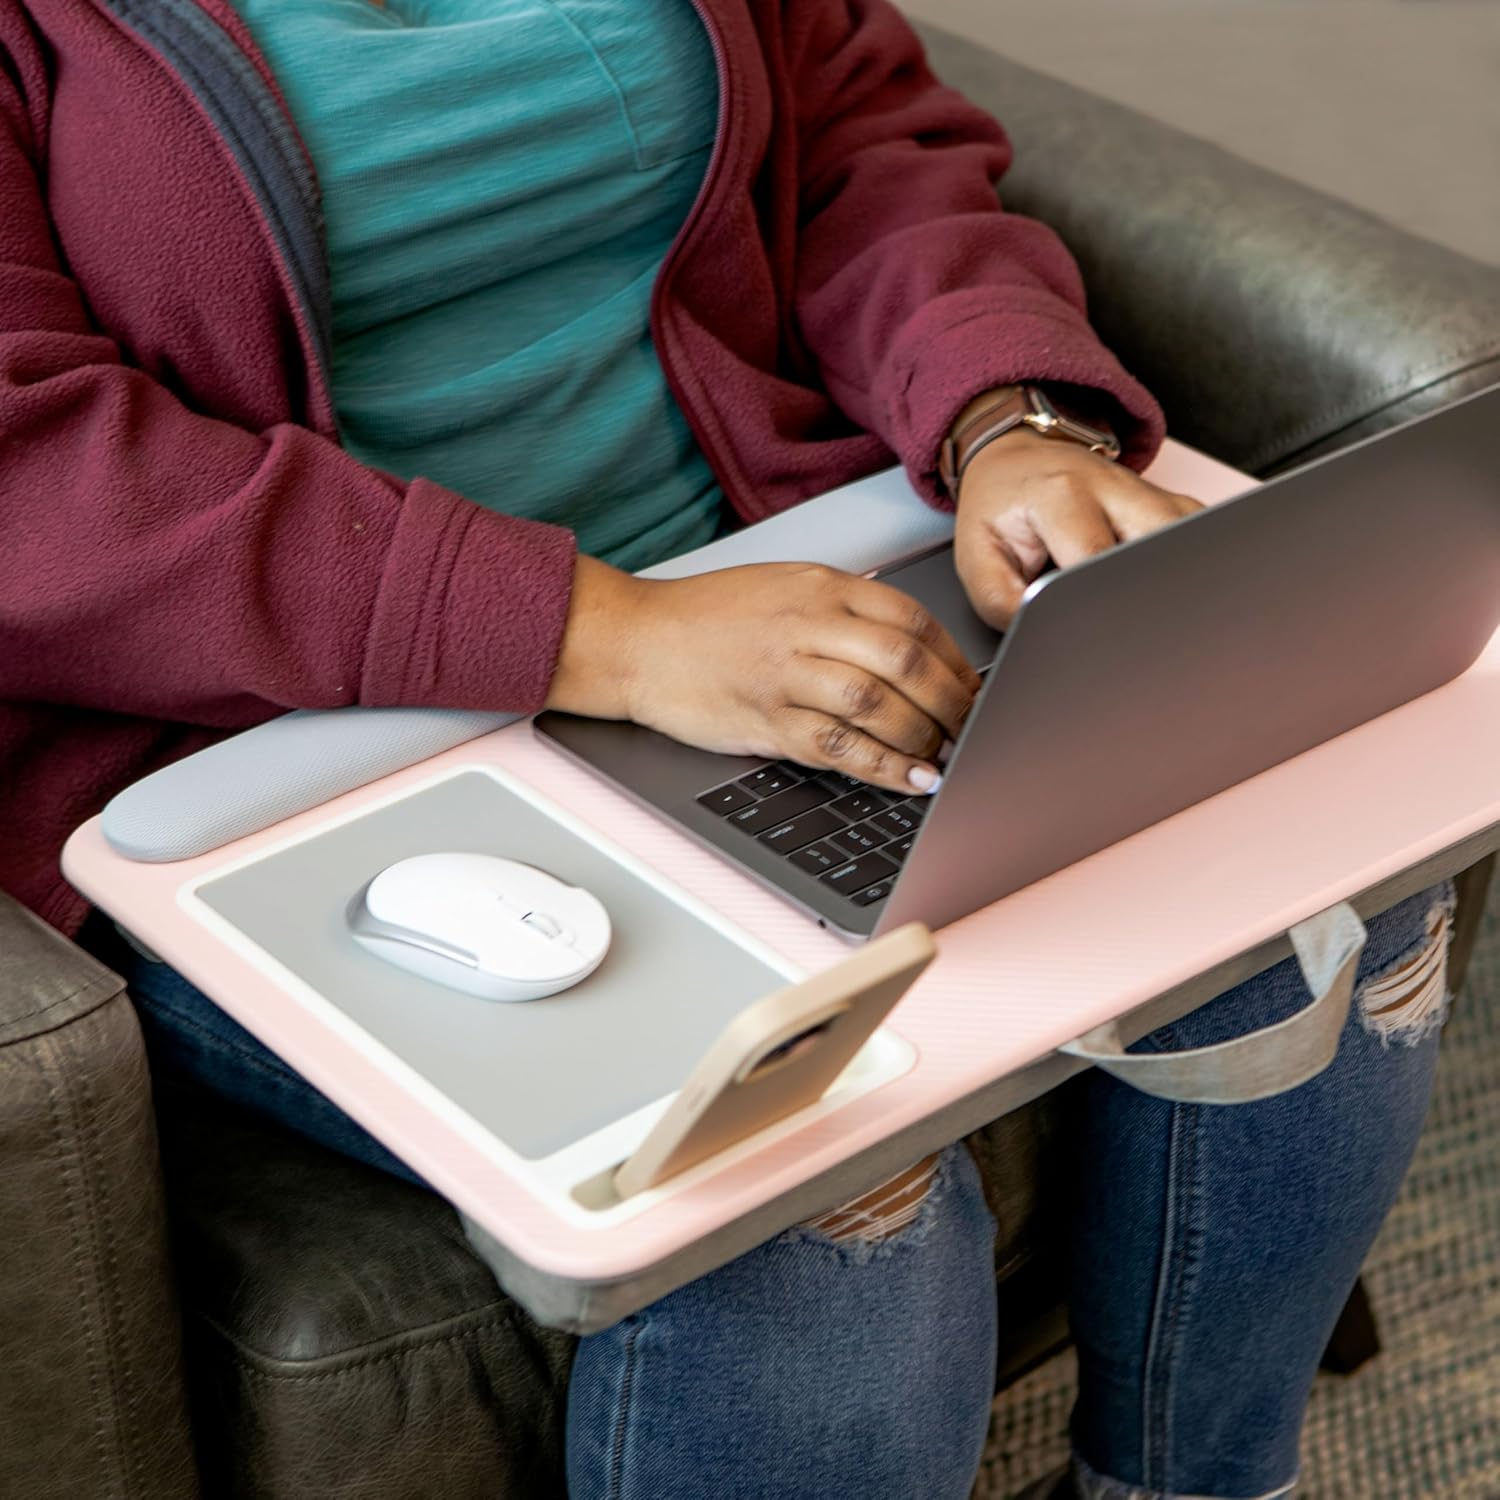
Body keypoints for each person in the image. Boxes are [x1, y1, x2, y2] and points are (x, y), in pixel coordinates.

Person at [0, 1, 1452, 1496]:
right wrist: (610, 637)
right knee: (804, 1178)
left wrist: (1005, 413)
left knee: (1323, 905)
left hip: (783, 572)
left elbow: (858, 139)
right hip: (283, 739)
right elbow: (30, 468)